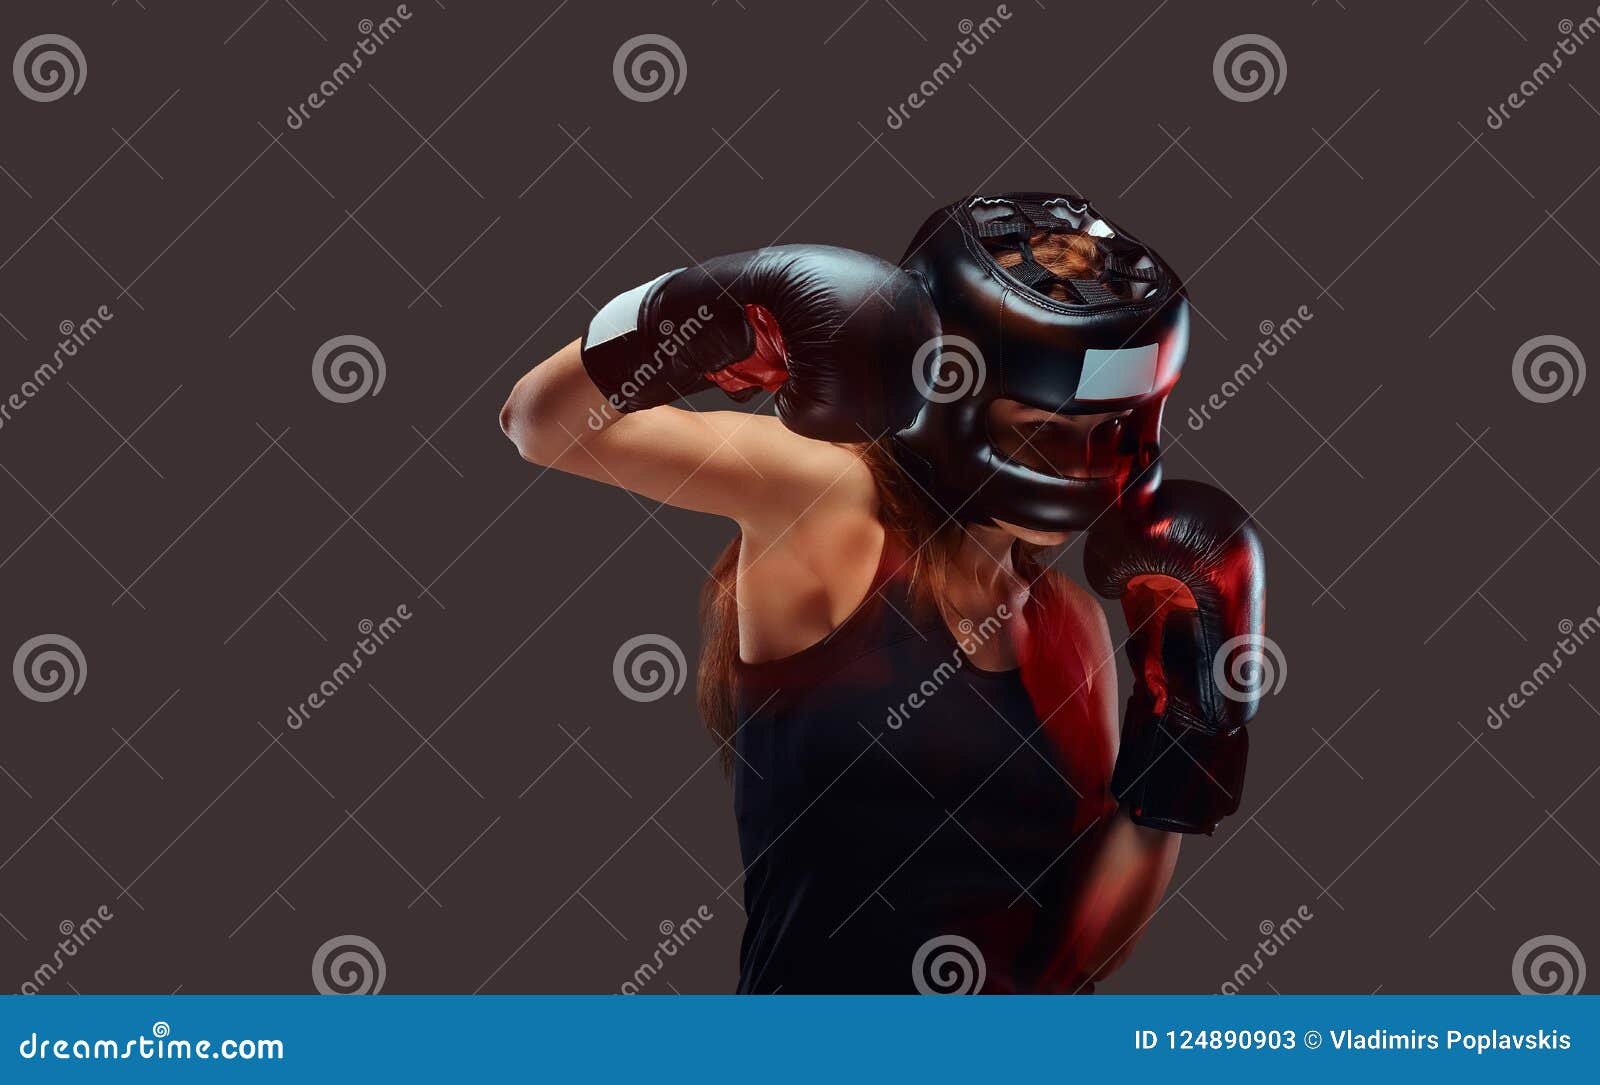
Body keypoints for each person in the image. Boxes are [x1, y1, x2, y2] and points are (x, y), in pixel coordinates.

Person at [499, 194, 1265, 993]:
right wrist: (699, 316)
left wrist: (1185, 736)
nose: (1079, 465)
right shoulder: (833, 504)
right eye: (1043, 428)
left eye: (1105, 432)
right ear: (949, 388)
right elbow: (541, 422)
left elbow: (1079, 955)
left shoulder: (1074, 626)